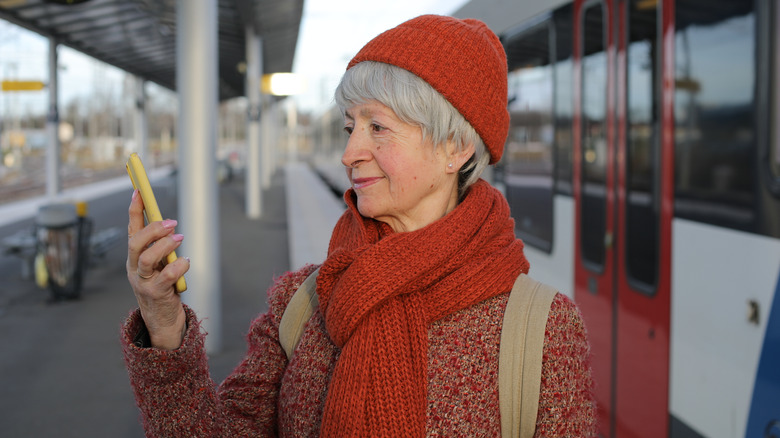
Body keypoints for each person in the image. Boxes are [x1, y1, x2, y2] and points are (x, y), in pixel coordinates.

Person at [121, 14, 597, 437]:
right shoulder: (301, 302)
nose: (349, 154)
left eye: (378, 127)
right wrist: (163, 322)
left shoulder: (540, 331)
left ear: (456, 148)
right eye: (351, 128)